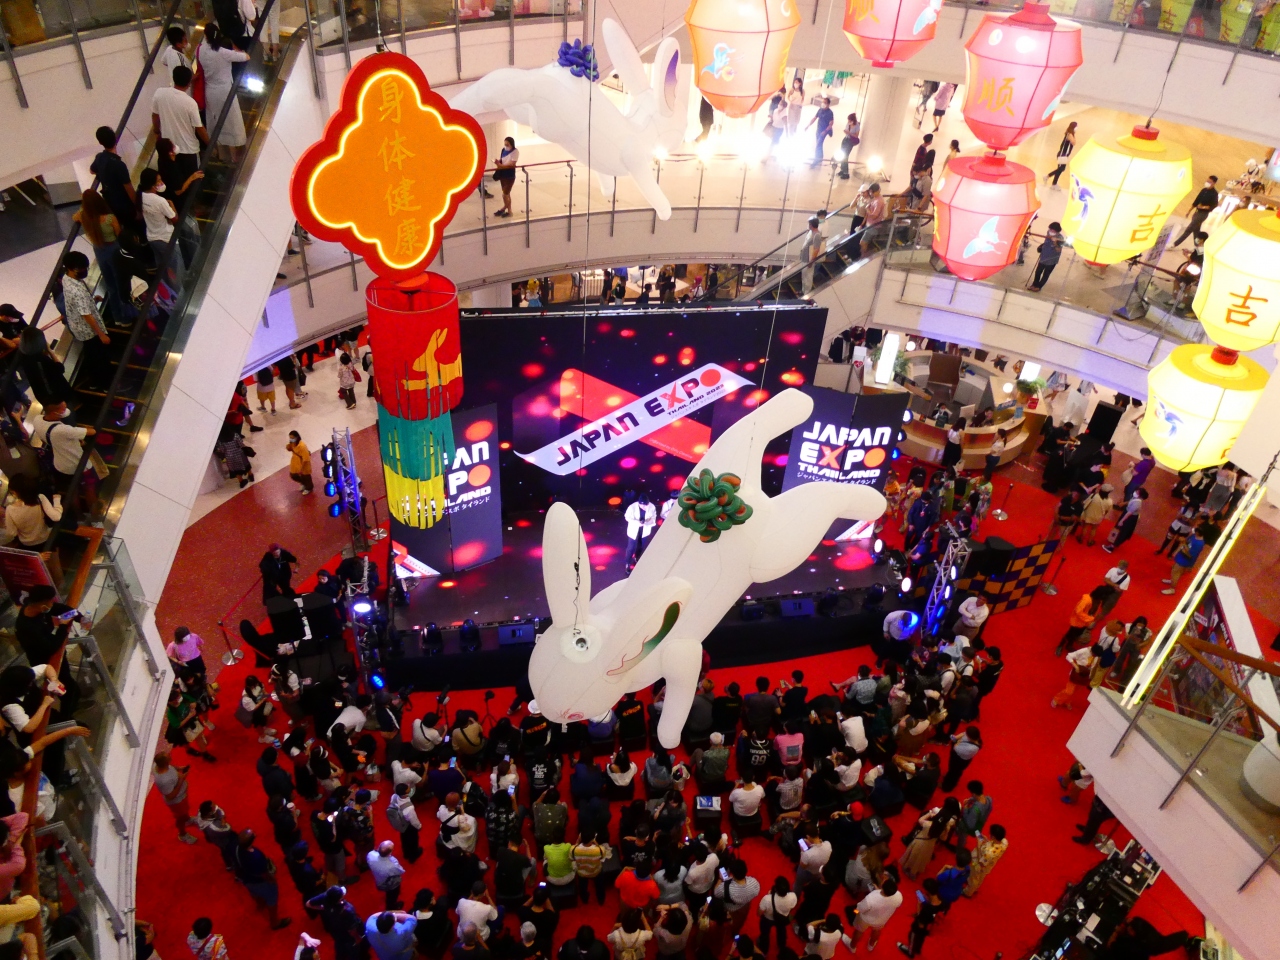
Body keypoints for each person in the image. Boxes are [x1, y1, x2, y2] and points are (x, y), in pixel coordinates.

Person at [58, 251, 113, 388]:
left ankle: (94, 381)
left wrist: (92, 300)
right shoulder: (76, 290)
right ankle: (105, 384)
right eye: (81, 268)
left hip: (78, 326)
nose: (84, 271)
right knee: (99, 357)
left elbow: (79, 305)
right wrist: (101, 334)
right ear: (71, 268)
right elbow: (86, 314)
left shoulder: (67, 279)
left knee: (91, 354)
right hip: (88, 330)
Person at [151, 65, 208, 187]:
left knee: (173, 183)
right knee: (193, 182)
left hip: (168, 148)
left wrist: (157, 132)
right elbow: (199, 128)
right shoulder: (190, 103)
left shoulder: (160, 93)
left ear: (174, 77)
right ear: (189, 82)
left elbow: (155, 115)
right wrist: (210, 143)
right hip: (188, 149)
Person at [233, 829, 292, 928]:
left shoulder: (237, 848)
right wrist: (272, 880)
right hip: (261, 882)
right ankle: (274, 922)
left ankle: (260, 903)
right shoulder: (256, 857)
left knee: (254, 893)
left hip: (247, 880)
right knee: (272, 898)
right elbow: (264, 873)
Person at [90, 126, 137, 226]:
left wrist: (102, 171)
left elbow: (92, 170)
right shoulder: (119, 164)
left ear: (100, 142)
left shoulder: (100, 157)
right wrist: (138, 208)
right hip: (125, 206)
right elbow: (129, 188)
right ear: (115, 138)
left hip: (111, 204)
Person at [844, 876, 901, 952]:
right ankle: (871, 945)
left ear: (883, 887)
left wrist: (855, 912)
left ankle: (852, 946)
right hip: (881, 920)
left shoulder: (871, 898)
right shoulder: (899, 896)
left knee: (859, 931)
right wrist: (878, 891)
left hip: (865, 919)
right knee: (876, 931)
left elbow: (860, 909)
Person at [152, 753, 199, 844]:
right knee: (180, 817)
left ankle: (188, 820)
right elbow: (170, 796)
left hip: (181, 797)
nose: (171, 757)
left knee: (185, 811)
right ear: (165, 763)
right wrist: (181, 780)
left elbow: (170, 766)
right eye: (169, 758)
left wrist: (179, 768)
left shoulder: (157, 765)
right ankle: (183, 834)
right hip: (177, 801)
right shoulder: (164, 780)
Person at [1056, 585, 1109, 656]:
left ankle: (1069, 645)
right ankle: (1060, 645)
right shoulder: (1086, 600)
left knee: (1077, 634)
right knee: (1070, 634)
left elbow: (1094, 610)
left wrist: (1091, 619)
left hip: (1085, 622)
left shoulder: (1098, 601)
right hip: (1078, 621)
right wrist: (1090, 618)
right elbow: (1078, 611)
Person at [895, 877, 942, 957]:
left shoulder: (927, 909)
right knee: (920, 940)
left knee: (913, 938)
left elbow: (920, 923)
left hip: (918, 929)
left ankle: (910, 952)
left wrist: (918, 906)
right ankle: (917, 949)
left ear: (927, 891)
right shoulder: (940, 901)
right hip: (928, 927)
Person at [1162, 525, 1209, 595]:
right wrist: (1176, 551)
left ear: (1198, 533)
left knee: (1175, 572)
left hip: (1185, 560)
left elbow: (1190, 555)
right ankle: (1172, 581)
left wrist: (1183, 546)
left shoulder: (1199, 544)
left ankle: (1172, 589)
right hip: (1181, 556)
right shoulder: (1193, 536)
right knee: (1174, 569)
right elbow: (1185, 542)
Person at [1173, 175, 1219, 245]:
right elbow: (1196, 201)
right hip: (1197, 212)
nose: (1207, 183)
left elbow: (1214, 205)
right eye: (1207, 181)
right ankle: (1198, 246)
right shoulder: (1203, 190)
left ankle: (1175, 244)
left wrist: (1203, 207)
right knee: (1196, 231)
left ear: (1214, 183)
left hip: (1202, 214)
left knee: (1189, 229)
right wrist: (1189, 211)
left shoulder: (1214, 194)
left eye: (1209, 182)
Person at [963, 824, 1007, 896]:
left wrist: (979, 845)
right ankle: (974, 887)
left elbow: (981, 862)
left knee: (974, 878)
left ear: (994, 837)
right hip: (988, 865)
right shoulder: (1004, 842)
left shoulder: (989, 853)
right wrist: (987, 840)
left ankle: (968, 892)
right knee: (980, 878)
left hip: (978, 865)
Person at [1103, 488, 1148, 553]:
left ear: (1140, 495)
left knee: (1122, 531)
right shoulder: (1135, 498)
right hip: (1127, 514)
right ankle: (1113, 540)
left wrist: (1122, 521)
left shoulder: (1137, 503)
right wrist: (1124, 503)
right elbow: (1130, 501)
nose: (1135, 492)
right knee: (1119, 529)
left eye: (1137, 492)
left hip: (1129, 518)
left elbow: (1129, 513)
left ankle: (1112, 547)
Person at [623, 494, 656, 568]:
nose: (644, 507)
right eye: (642, 506)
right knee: (631, 548)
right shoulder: (632, 507)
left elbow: (653, 517)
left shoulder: (652, 507)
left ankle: (637, 558)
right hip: (634, 530)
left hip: (644, 530)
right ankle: (628, 562)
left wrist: (648, 522)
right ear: (639, 503)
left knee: (641, 546)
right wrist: (637, 523)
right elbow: (627, 517)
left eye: (646, 505)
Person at [1030, 222, 1064, 291]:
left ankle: (1039, 287)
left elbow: (1058, 250)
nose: (1051, 231)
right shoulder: (1048, 232)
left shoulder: (1060, 238)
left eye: (1053, 231)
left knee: (1046, 273)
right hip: (1043, 256)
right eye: (1050, 229)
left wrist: (1055, 242)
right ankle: (1034, 284)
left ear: (1057, 231)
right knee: (1038, 272)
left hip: (1052, 259)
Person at [1044, 122, 1077, 187]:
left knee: (1060, 169)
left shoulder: (1070, 134)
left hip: (1064, 154)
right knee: (1061, 169)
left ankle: (1054, 183)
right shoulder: (1069, 134)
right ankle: (1047, 177)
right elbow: (1074, 142)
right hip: (1062, 154)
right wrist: (1074, 135)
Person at [493, 137, 520, 218]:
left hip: (510, 175)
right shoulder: (503, 150)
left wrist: (501, 165)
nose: (506, 146)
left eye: (507, 144)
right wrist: (498, 162)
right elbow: (502, 160)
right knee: (507, 194)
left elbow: (512, 164)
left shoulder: (515, 152)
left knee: (505, 194)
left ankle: (504, 208)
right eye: (505, 144)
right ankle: (509, 211)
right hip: (503, 174)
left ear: (511, 144)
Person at [806, 97, 834, 167]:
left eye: (825, 102)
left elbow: (831, 124)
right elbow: (814, 118)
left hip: (824, 131)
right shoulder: (820, 110)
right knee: (819, 144)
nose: (823, 104)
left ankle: (815, 160)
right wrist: (808, 125)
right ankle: (820, 157)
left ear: (828, 104)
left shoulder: (830, 113)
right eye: (823, 102)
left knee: (818, 144)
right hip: (818, 130)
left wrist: (825, 131)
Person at [838, 113, 860, 179]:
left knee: (846, 156)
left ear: (853, 120)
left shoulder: (857, 126)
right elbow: (846, 130)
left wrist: (849, 133)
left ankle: (846, 173)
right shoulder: (848, 124)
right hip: (845, 139)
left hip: (850, 141)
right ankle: (842, 170)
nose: (848, 122)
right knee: (842, 155)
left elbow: (856, 135)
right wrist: (846, 132)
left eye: (850, 120)